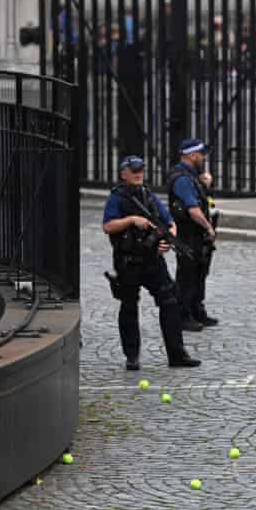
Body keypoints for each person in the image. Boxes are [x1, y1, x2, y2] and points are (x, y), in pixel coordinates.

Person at [102, 155, 201, 370]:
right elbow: (108, 226)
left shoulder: (148, 195)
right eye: (133, 170)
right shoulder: (117, 198)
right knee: (129, 306)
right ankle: (132, 357)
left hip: (152, 260)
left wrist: (166, 240)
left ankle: (177, 354)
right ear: (123, 174)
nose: (138, 173)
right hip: (128, 262)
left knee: (170, 301)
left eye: (140, 170)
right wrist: (130, 220)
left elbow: (169, 223)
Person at [168, 138, 218, 330]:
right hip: (189, 234)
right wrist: (208, 227)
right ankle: (183, 315)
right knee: (187, 275)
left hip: (197, 236)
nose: (204, 158)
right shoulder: (182, 178)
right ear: (192, 155)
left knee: (199, 272)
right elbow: (193, 209)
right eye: (201, 154)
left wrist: (205, 185)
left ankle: (197, 310)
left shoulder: (192, 176)